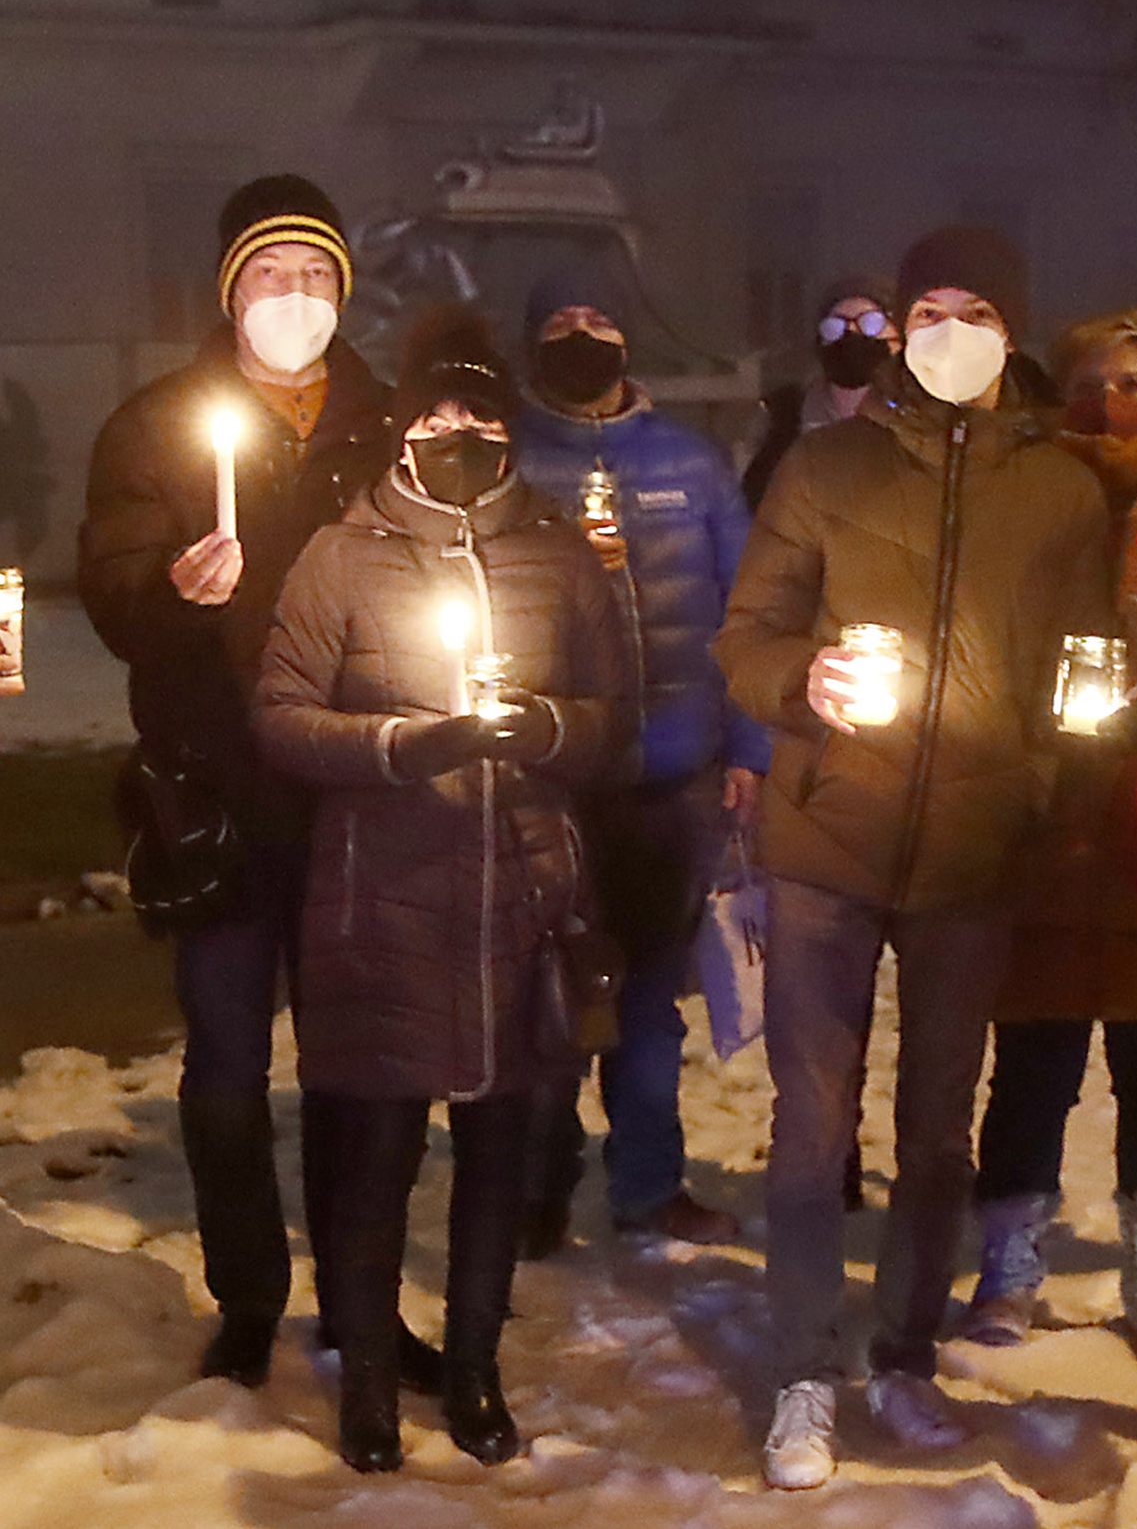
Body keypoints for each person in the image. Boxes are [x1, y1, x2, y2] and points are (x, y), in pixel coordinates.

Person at [715, 224, 1108, 1490]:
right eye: (926, 306)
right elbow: (746, 635)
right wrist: (801, 680)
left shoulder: (1062, 490)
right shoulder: (826, 466)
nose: (947, 329)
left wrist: (1042, 777)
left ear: (1013, 330)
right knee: (811, 1125)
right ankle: (801, 1376)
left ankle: (906, 1352)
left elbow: (1084, 664)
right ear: (894, 323)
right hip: (829, 836)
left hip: (971, 854)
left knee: (940, 1132)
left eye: (975, 307)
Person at [253, 310, 627, 1473]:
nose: (457, 431)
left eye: (479, 413)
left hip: (519, 896)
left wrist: (550, 726)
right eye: (436, 414)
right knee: (373, 1153)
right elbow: (279, 716)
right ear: (403, 427)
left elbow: (617, 720)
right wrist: (406, 744)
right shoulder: (340, 553)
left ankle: (472, 1367)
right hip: (383, 899)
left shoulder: (560, 553)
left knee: (498, 1150)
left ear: (508, 426)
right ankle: (369, 1373)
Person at [76, 173, 401, 1388]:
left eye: (317, 275)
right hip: (215, 794)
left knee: (356, 1072)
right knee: (224, 1070)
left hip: (354, 802)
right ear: (231, 290)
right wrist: (171, 592)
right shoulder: (160, 423)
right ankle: (251, 1295)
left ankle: (361, 1297)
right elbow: (113, 592)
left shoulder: (382, 422)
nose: (296, 296)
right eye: (273, 274)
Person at [964, 307, 1137, 1366]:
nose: (1107, 407)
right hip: (1053, 814)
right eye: (1088, 386)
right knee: (1033, 1061)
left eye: (1131, 387)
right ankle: (1010, 1268)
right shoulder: (1028, 485)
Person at [512, 266, 768, 1252]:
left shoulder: (691, 463)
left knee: (652, 1002)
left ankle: (648, 1184)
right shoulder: (512, 457)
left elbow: (748, 607)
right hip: (552, 778)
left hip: (675, 774)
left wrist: (748, 744)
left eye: (599, 316)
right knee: (546, 999)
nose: (582, 332)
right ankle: (537, 1189)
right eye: (562, 318)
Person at [742, 278, 900, 511]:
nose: (851, 332)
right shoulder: (784, 417)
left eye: (871, 322)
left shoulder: (926, 418)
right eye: (835, 326)